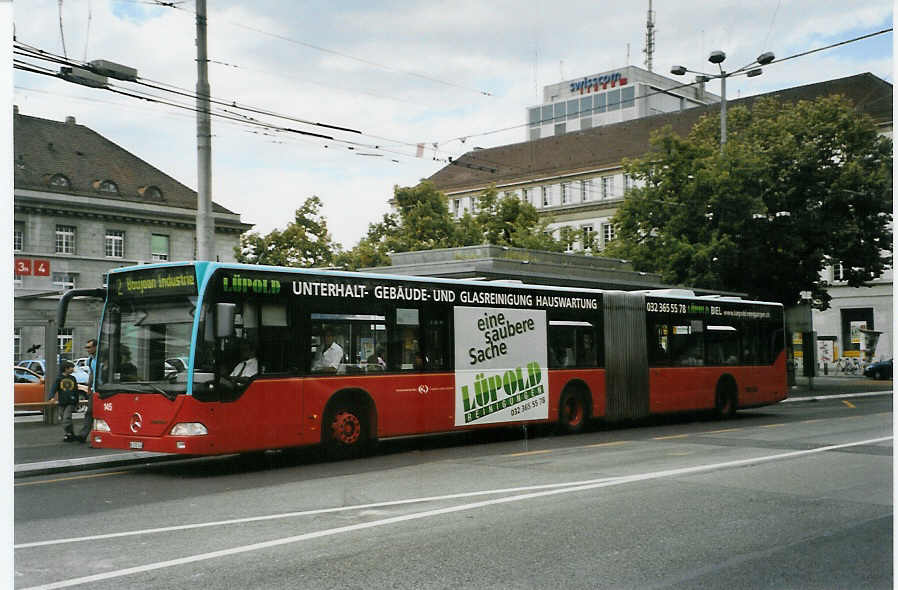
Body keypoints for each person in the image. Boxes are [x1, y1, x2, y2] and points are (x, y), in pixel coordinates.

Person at [49, 361, 79, 442]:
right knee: (63, 418)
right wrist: (51, 397)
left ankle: (68, 434)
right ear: (66, 369)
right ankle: (71, 434)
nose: (73, 369)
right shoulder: (59, 378)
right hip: (62, 402)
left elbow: (76, 390)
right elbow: (53, 388)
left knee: (66, 418)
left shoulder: (73, 378)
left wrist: (77, 401)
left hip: (71, 402)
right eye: (71, 367)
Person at [75, 339, 97, 443]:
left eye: (89, 347)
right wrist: (89, 388)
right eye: (86, 347)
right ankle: (83, 435)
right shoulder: (90, 360)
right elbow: (91, 374)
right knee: (89, 412)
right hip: (94, 390)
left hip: (105, 389)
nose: (87, 349)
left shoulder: (103, 359)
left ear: (95, 347)